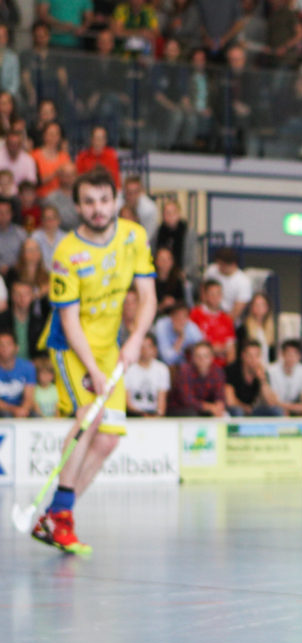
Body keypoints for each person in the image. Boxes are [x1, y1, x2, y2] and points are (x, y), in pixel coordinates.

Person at [32, 165, 157, 554]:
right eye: (89, 202)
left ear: (117, 200)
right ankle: (61, 517)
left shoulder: (134, 237)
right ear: (78, 207)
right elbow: (69, 321)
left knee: (107, 441)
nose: (98, 209)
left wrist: (135, 339)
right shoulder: (66, 253)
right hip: (72, 347)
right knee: (90, 415)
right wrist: (92, 370)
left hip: (111, 346)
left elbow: (148, 296)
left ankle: (54, 516)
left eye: (105, 200)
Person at [224, 338, 282, 415]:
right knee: (238, 411)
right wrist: (246, 408)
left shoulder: (262, 372)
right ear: (243, 356)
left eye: (257, 356)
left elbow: (270, 402)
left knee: (277, 411)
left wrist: (262, 381)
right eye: (250, 356)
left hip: (252, 410)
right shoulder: (232, 370)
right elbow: (230, 401)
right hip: (235, 410)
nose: (253, 360)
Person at [168, 339, 224, 416]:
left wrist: (219, 406)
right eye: (198, 356)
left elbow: (220, 396)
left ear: (212, 357)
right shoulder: (185, 371)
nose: (202, 360)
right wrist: (210, 407)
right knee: (192, 414)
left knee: (232, 412)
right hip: (180, 409)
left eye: (206, 356)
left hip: (205, 409)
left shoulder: (217, 372)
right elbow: (187, 400)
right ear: (193, 358)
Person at [189, 278, 234, 364]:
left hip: (222, 366)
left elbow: (231, 349)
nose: (215, 298)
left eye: (218, 294)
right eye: (212, 294)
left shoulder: (226, 319)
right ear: (205, 296)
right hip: (200, 364)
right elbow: (191, 344)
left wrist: (230, 368)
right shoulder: (195, 314)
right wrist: (213, 349)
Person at [266, 336, 302, 415]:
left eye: (295, 354)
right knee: (280, 412)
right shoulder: (271, 371)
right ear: (282, 354)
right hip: (275, 409)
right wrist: (298, 407)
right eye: (289, 354)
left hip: (294, 408)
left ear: (300, 356)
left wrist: (297, 408)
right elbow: (273, 402)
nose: (291, 358)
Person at [124, 331, 169, 416]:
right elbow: (127, 402)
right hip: (133, 415)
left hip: (154, 414)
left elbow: (161, 403)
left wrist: (157, 416)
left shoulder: (162, 369)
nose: (144, 350)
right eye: (141, 347)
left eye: (148, 347)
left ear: (155, 349)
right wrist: (142, 415)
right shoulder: (128, 369)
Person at [0, 279, 48, 359]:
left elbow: (43, 351)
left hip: (34, 364)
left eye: (26, 294)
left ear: (32, 296)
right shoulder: (2, 320)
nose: (22, 298)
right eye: (18, 294)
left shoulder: (40, 322)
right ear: (11, 295)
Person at [152, 198, 198, 279]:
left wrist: (184, 273)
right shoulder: (157, 233)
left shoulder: (188, 233)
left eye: (173, 212)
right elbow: (153, 253)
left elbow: (192, 258)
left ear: (179, 214)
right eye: (167, 213)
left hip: (183, 275)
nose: (170, 216)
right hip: (160, 275)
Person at [202, 245, 251, 322]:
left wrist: (220, 324)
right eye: (218, 264)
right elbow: (203, 291)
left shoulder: (243, 282)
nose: (219, 267)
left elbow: (237, 310)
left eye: (222, 265)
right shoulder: (211, 270)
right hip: (207, 314)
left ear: (233, 264)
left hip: (228, 318)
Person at [152, 299, 203, 365]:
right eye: (177, 316)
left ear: (188, 318)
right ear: (171, 316)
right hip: (165, 366)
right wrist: (180, 338)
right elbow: (168, 360)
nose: (180, 320)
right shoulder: (162, 325)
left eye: (184, 316)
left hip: (186, 365)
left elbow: (203, 349)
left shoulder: (191, 327)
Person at [0, 326, 34, 417]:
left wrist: (23, 410)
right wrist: (14, 410)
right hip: (4, 410)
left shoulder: (28, 367)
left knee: (36, 416)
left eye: (8, 344)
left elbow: (29, 397)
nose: (4, 348)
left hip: (22, 409)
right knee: (6, 415)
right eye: (1, 345)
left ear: (16, 348)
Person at [32, 120, 71, 198]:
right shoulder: (34, 156)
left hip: (61, 197)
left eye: (57, 134)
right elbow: (34, 182)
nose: (54, 137)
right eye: (51, 134)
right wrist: (55, 174)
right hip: (40, 197)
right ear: (44, 136)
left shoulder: (65, 157)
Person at [236, 290, 274, 361]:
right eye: (256, 305)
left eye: (262, 304)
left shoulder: (272, 329)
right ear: (251, 307)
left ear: (267, 307)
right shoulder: (243, 329)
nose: (259, 308)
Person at [117, 174, 158, 239]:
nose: (132, 196)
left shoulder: (149, 209)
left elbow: (148, 235)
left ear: (141, 192)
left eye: (135, 192)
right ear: (124, 191)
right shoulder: (115, 204)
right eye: (129, 192)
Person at [0, 121, 36, 188]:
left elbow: (31, 184)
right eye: (11, 144)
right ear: (6, 144)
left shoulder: (28, 160)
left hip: (21, 193)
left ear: (20, 145)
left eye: (16, 144)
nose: (13, 147)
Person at [45, 162, 79, 230]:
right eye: (66, 175)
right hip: (59, 234)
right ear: (60, 177)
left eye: (72, 175)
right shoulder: (51, 198)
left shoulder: (83, 196)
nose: (70, 178)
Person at [33, 203, 66, 268]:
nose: (50, 221)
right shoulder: (35, 237)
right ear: (42, 221)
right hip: (41, 272)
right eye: (47, 218)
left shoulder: (65, 238)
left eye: (53, 218)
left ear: (59, 220)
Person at [0, 195, 23, 276]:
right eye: (0, 213)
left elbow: (26, 256)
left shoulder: (20, 233)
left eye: (7, 212)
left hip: (17, 273)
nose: (3, 216)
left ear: (12, 214)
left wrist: (15, 266)